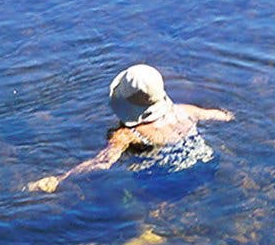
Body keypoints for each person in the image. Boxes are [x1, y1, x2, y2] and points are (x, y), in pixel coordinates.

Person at [26, 65, 233, 194]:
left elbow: (103, 163)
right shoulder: (185, 111)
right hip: (207, 166)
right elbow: (223, 117)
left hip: (167, 186)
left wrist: (60, 178)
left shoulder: (127, 134)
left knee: (117, 195)